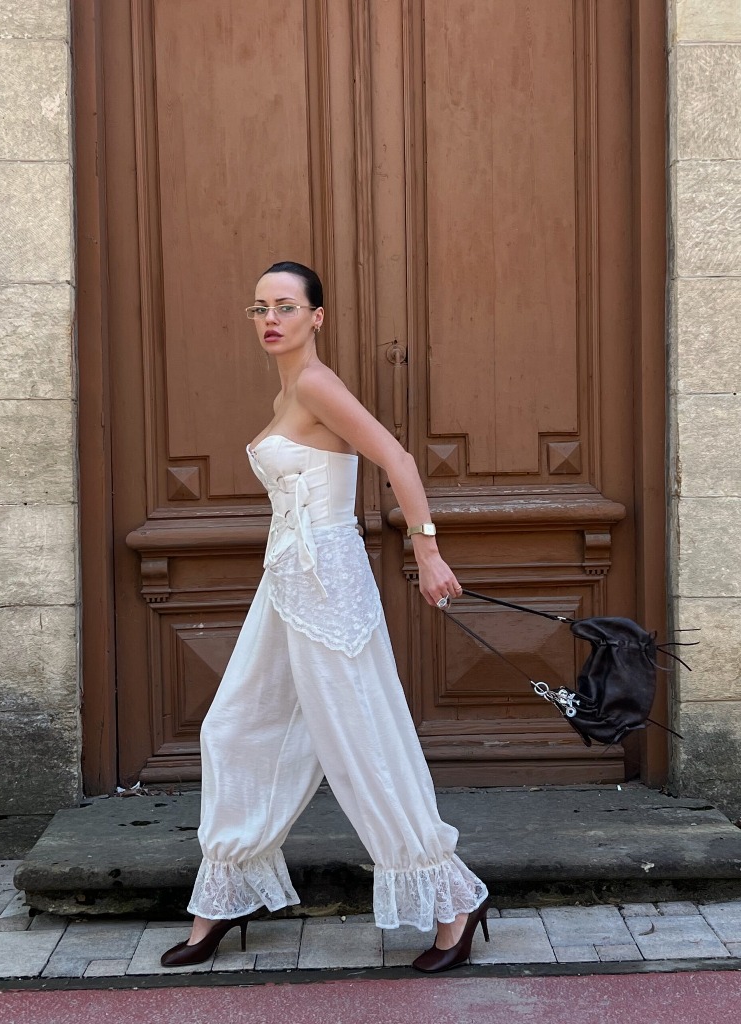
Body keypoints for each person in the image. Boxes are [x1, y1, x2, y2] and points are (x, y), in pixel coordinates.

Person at [160, 261, 489, 974]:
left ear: (317, 316)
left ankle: (452, 902)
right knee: (233, 727)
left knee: (361, 738)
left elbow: (397, 458)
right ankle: (223, 896)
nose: (270, 319)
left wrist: (428, 552)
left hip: (328, 579)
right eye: (260, 308)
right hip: (286, 579)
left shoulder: (314, 384)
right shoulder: (288, 390)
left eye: (285, 306)